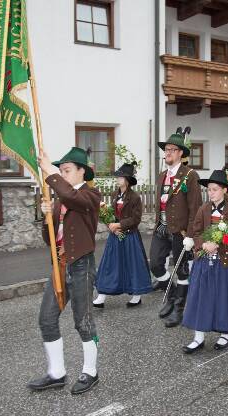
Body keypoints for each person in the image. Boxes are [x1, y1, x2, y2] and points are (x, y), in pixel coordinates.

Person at [29, 147, 101, 394]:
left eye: (67, 170)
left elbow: (73, 198)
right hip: (60, 265)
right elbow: (51, 239)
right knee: (46, 318)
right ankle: (56, 373)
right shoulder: (61, 200)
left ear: (82, 171)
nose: (63, 174)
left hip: (82, 265)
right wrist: (47, 218)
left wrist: (49, 172)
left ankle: (91, 372)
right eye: (61, 170)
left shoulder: (91, 195)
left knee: (83, 321)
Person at [181, 169, 228, 354]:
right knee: (200, 297)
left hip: (225, 263)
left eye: (214, 189)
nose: (211, 193)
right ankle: (198, 337)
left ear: (224, 191)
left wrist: (219, 244)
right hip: (204, 260)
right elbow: (195, 232)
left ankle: (225, 334)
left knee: (223, 297)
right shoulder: (203, 209)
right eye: (209, 189)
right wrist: (203, 243)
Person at [150, 127, 203, 328]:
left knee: (182, 270)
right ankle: (171, 296)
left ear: (180, 153)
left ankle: (179, 309)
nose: (168, 153)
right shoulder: (162, 175)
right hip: (161, 228)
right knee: (155, 264)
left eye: (172, 149)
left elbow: (195, 208)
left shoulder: (190, 175)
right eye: (166, 150)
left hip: (180, 231)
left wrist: (191, 235)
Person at [93, 163, 152, 309]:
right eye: (117, 177)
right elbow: (110, 216)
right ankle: (101, 296)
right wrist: (111, 226)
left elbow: (136, 219)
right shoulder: (114, 195)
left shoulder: (135, 197)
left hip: (129, 236)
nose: (117, 179)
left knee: (133, 265)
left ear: (127, 179)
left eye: (120, 177)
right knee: (109, 265)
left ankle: (136, 296)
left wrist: (119, 225)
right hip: (115, 237)